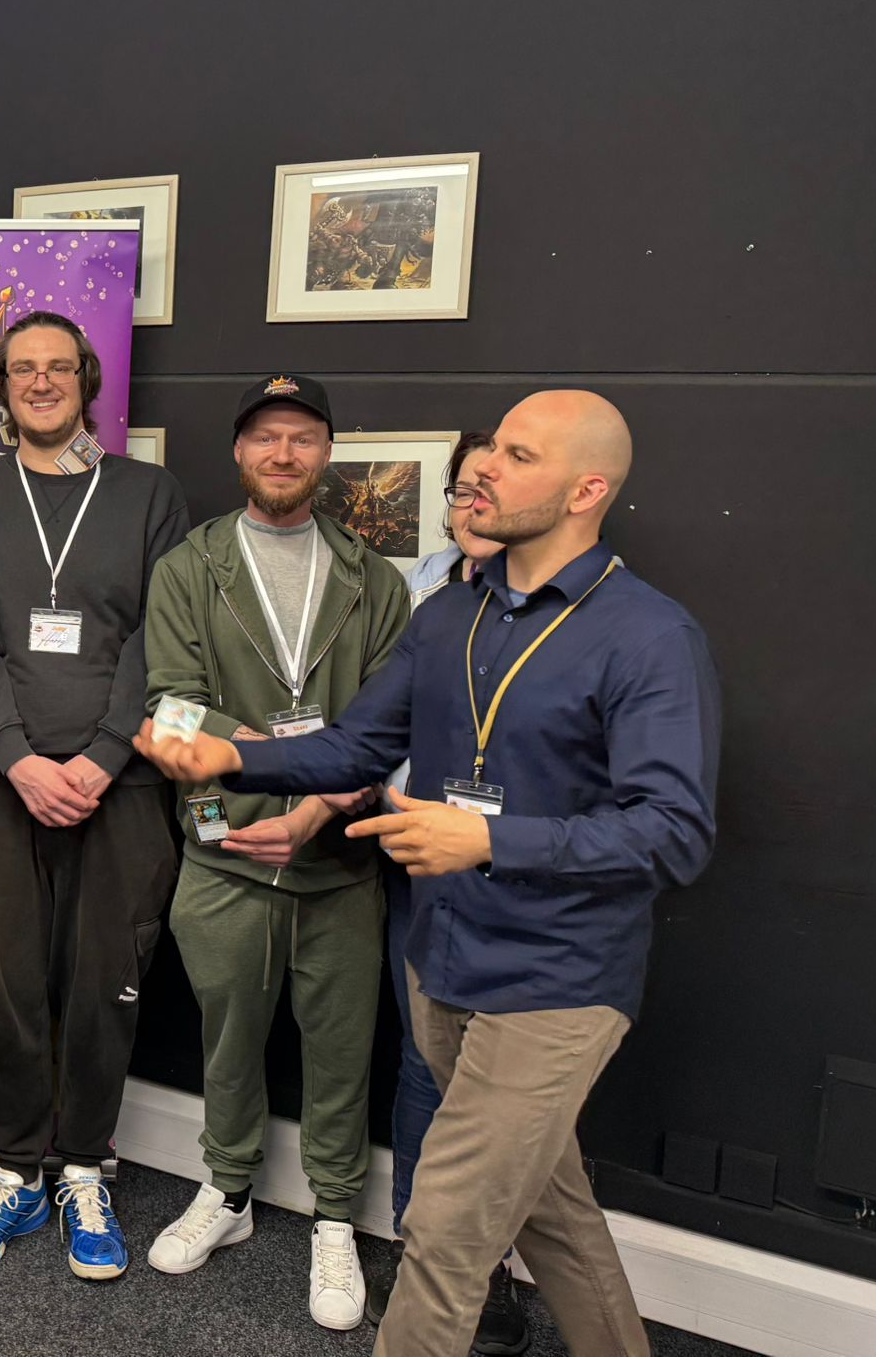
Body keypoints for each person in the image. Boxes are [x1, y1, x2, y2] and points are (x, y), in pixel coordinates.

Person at [137, 390, 720, 1357]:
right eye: (487, 451)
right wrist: (235, 763)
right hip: (443, 961)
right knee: (552, 1215)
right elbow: (358, 744)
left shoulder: (651, 637)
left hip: (558, 981)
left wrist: (491, 842)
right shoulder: (453, 612)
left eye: (517, 457)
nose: (483, 469)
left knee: (444, 1236)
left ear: (586, 489)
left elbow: (673, 833)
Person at [141, 376, 409, 1330]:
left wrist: (312, 804)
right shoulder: (188, 568)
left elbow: (388, 724)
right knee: (228, 1042)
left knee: (341, 1053)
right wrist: (270, 781)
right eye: (266, 437)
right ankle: (228, 1192)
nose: (284, 454)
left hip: (336, 862)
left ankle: (336, 1219)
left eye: (302, 437)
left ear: (326, 454)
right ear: (240, 453)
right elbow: (169, 701)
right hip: (222, 857)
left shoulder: (374, 582)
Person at [0, 311, 189, 1281]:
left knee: (100, 988)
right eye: (20, 370)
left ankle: (83, 1167)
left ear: (86, 381)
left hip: (115, 791)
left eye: (57, 369)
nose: (40, 383)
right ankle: (13, 1170)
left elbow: (159, 640)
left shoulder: (148, 494)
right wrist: (17, 758)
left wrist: (103, 754)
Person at [366, 430, 527, 1353]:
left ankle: (490, 1266)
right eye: (464, 484)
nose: (475, 499)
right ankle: (417, 1246)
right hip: (419, 869)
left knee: (499, 1079)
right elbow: (378, 715)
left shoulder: (581, 607)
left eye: (492, 484)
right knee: (427, 1063)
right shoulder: (420, 590)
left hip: (514, 872)